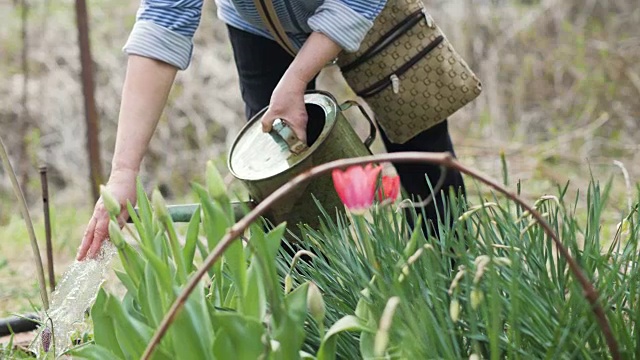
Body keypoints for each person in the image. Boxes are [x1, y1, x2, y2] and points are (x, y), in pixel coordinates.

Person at [76, 0, 466, 261]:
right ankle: (315, 303)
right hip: (258, 21)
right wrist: (124, 172)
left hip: (367, 6)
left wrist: (296, 77)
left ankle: (453, 279)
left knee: (425, 159)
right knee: (282, 182)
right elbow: (162, 27)